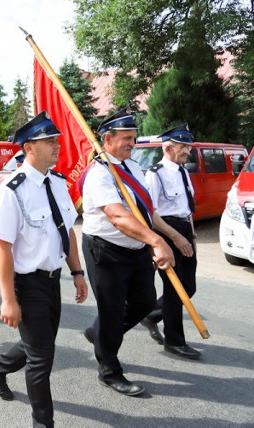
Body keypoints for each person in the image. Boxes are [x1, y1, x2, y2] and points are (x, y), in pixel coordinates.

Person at [0, 112, 88, 428]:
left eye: (56, 140)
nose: (57, 146)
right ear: (29, 147)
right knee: (41, 360)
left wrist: (77, 273)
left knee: (38, 346)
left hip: (52, 281)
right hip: (27, 285)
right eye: (49, 141)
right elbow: (3, 247)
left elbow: (66, 230)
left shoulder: (56, 183)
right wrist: (8, 299)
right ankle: (43, 423)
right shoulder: (11, 191)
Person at [80, 107, 176, 396]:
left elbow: (145, 212)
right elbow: (118, 216)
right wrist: (156, 242)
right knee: (110, 312)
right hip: (106, 251)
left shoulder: (132, 167)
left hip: (136, 249)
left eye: (134, 137)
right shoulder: (99, 172)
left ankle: (98, 334)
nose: (132, 143)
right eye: (126, 138)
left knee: (145, 302)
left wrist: (161, 238)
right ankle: (109, 371)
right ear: (107, 139)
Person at [141, 124, 200, 359]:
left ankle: (152, 315)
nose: (188, 151)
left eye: (188, 146)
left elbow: (187, 207)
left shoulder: (183, 171)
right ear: (168, 147)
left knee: (189, 287)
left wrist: (190, 234)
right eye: (183, 146)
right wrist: (173, 238)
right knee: (175, 289)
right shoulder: (155, 174)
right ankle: (175, 341)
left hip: (185, 229)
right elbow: (150, 213)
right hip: (168, 230)